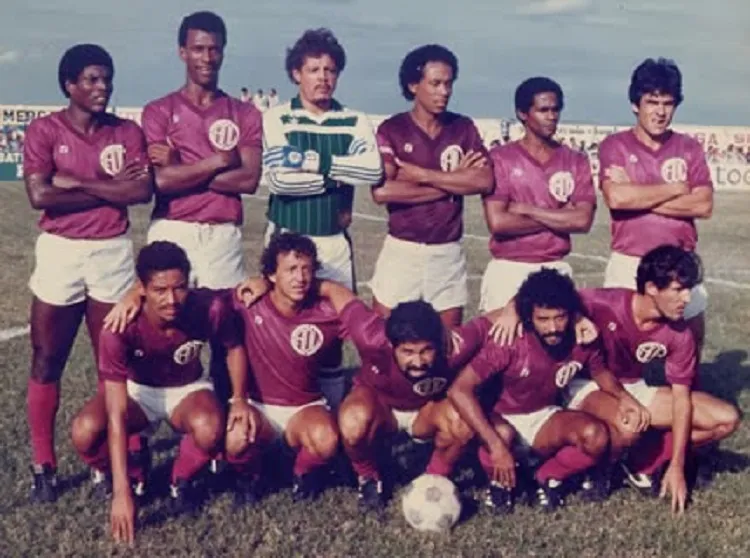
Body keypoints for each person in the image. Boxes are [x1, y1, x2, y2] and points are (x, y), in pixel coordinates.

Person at [22, 43, 152, 503]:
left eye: (107, 78)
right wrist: (110, 191)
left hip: (111, 252)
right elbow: (40, 197)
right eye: (92, 80)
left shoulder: (127, 132)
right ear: (69, 85)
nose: (103, 87)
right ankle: (44, 465)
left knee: (112, 362)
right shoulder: (43, 130)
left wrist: (76, 184)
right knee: (46, 359)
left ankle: (120, 460)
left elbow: (141, 190)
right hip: (60, 251)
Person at [70, 242, 246, 544]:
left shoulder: (207, 307)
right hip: (138, 393)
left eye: (179, 288)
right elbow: (116, 412)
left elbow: (234, 347)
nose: (171, 300)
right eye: (159, 290)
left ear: (189, 282)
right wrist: (122, 493)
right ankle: (127, 473)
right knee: (85, 431)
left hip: (187, 389)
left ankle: (180, 479)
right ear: (141, 289)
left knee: (210, 429)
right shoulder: (118, 328)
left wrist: (239, 398)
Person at [448, 270, 645, 513]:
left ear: (571, 313)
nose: (553, 327)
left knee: (596, 436)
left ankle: (549, 476)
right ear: (529, 316)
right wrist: (496, 446)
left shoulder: (580, 337)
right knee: (503, 434)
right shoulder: (509, 341)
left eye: (560, 317)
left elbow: (600, 372)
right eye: (543, 319)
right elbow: (459, 389)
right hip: (502, 419)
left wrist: (625, 397)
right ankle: (499, 483)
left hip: (544, 418)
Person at [566, 246, 739, 514]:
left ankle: (642, 462)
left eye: (689, 289)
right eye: (678, 289)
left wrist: (677, 465)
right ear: (651, 288)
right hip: (585, 382)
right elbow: (547, 297)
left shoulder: (679, 332)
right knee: (629, 424)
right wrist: (573, 317)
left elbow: (681, 398)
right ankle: (590, 468)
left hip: (632, 385)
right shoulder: (604, 302)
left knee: (725, 418)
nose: (686, 298)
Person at [261, 28, 382, 403]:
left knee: (331, 334)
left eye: (330, 70)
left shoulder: (354, 120)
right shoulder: (277, 118)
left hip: (332, 242)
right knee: (280, 331)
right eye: (314, 69)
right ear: (296, 73)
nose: (323, 78)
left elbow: (373, 172)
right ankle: (280, 419)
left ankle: (328, 417)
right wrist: (339, 173)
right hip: (287, 238)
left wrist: (311, 161)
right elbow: (281, 181)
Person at [317, 283, 498, 511]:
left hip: (426, 410)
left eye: (426, 350)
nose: (418, 361)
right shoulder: (369, 334)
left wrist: (512, 310)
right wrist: (264, 282)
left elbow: (495, 318)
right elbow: (333, 290)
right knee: (353, 422)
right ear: (391, 345)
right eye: (408, 352)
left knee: (461, 424)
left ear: (439, 343)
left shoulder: (456, 345)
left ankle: (432, 480)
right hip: (381, 406)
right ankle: (368, 477)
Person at [223, 233, 353, 506]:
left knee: (327, 440)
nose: (300, 278)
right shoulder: (247, 303)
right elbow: (196, 300)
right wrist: (135, 292)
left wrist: (328, 288)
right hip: (258, 408)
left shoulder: (327, 312)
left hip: (304, 407)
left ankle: (302, 474)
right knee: (236, 438)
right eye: (291, 270)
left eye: (306, 269)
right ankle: (251, 477)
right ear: (271, 274)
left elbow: (364, 324)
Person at [370, 44, 493, 328]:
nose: (444, 91)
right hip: (402, 250)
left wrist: (422, 175)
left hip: (447, 252)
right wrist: (453, 183)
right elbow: (383, 192)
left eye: (448, 84)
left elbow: (484, 179)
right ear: (413, 85)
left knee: (448, 343)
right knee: (384, 338)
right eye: (435, 83)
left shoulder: (462, 128)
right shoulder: (393, 129)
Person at [141, 10, 262, 291]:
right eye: (198, 49)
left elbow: (248, 180)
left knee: (220, 324)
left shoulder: (244, 112)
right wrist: (218, 161)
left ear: (223, 52)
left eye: (214, 50)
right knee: (169, 325)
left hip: (222, 234)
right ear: (182, 52)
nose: (207, 58)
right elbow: (160, 181)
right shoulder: (158, 110)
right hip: (171, 227)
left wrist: (179, 165)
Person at [599, 58, 712, 354]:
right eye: (652, 102)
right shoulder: (615, 146)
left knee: (690, 344)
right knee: (618, 345)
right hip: (630, 259)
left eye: (668, 103)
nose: (660, 112)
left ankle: (687, 397)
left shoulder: (689, 148)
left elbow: (703, 205)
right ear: (636, 104)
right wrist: (676, 189)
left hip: (680, 261)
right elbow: (617, 198)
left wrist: (638, 194)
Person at [479, 77, 596, 312]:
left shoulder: (575, 160)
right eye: (543, 110)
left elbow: (582, 221)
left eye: (556, 109)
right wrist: (561, 217)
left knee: (555, 345)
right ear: (523, 113)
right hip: (508, 269)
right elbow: (499, 222)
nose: (552, 116)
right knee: (504, 346)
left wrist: (528, 209)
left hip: (555, 267)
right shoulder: (500, 158)